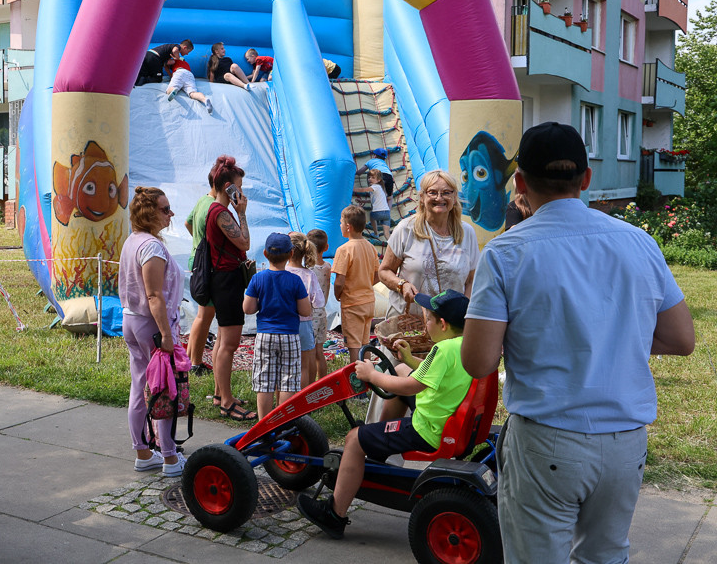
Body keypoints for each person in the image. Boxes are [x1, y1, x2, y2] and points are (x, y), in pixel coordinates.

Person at [462, 122, 695, 564]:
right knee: (606, 557)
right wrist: (613, 335)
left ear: (521, 183)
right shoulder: (639, 242)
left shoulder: (506, 252)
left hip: (547, 439)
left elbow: (478, 361)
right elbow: (681, 339)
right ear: (586, 179)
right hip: (626, 441)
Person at [297, 289, 473, 540]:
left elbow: (412, 386)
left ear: (442, 324)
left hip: (427, 428)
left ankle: (334, 514)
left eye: (430, 319)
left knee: (354, 439)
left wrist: (372, 376)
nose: (427, 323)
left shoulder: (442, 350)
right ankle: (379, 449)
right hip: (445, 414)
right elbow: (432, 377)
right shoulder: (464, 346)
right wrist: (410, 360)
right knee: (400, 368)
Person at [118, 186, 187, 478]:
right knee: (164, 390)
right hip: (151, 325)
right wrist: (167, 336)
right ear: (149, 212)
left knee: (140, 386)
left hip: (132, 320)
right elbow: (154, 295)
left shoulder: (132, 242)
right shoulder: (151, 247)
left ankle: (144, 453)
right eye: (165, 208)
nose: (170, 214)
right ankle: (170, 457)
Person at [377, 170, 478, 321]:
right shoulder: (406, 229)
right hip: (408, 323)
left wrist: (462, 313)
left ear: (455, 197)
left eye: (446, 192)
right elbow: (384, 271)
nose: (439, 198)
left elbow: (471, 280)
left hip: (447, 325)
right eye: (432, 192)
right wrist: (401, 285)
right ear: (422, 197)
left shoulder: (467, 233)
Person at [205, 155, 256, 421]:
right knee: (229, 344)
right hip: (227, 280)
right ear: (229, 188)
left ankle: (219, 393)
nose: (242, 193)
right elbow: (244, 242)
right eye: (239, 187)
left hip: (222, 278)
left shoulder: (214, 209)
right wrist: (242, 212)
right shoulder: (221, 213)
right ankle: (226, 401)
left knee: (223, 341)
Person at [243, 233, 310, 418]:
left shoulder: (258, 278)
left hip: (265, 335)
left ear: (265, 253)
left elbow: (247, 308)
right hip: (289, 335)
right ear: (290, 254)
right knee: (288, 381)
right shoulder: (295, 280)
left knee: (264, 381)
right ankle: (283, 423)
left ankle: (263, 424)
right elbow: (305, 311)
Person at [332, 204, 379, 365]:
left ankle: (356, 381)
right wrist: (365, 283)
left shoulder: (344, 250)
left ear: (347, 226)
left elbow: (339, 281)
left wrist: (338, 295)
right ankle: (368, 378)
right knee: (365, 344)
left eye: (340, 222)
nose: (339, 225)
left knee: (353, 346)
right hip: (369, 302)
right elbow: (377, 276)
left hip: (352, 304)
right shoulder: (371, 247)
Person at [184, 175, 219, 379]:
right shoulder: (212, 206)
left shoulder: (202, 200)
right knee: (205, 316)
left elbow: (188, 223)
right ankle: (195, 363)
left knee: (202, 314)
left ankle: (191, 359)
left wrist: (198, 243)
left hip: (197, 261)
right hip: (206, 265)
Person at [287, 232, 325, 389]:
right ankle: (306, 397)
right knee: (305, 366)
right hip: (304, 325)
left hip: (285, 324)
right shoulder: (309, 275)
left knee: (287, 364)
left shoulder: (282, 273)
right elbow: (319, 302)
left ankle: (285, 399)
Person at [307, 228, 332, 380]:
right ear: (326, 248)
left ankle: (309, 385)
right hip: (322, 313)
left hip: (309, 315)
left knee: (310, 353)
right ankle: (322, 382)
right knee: (319, 353)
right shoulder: (327, 267)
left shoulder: (308, 269)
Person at [354, 169, 391, 243]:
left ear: (378, 180)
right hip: (387, 213)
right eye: (369, 177)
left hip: (378, 213)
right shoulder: (380, 188)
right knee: (386, 234)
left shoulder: (375, 186)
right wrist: (363, 201)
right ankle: (393, 245)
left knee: (371, 216)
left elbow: (363, 190)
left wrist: (352, 189)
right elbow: (373, 200)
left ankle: (376, 233)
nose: (370, 179)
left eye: (373, 178)